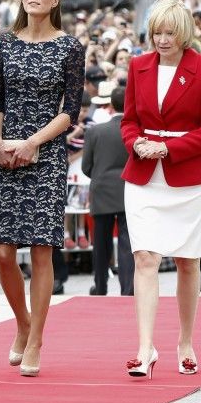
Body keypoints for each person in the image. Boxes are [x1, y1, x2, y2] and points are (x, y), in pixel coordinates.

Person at [0, 0, 85, 378]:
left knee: (41, 250)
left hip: (46, 156)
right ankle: (23, 323)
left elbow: (71, 111)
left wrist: (32, 142)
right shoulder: (5, 44)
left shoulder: (70, 47)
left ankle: (37, 339)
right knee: (4, 253)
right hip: (7, 156)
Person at [120, 0, 201, 379]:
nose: (162, 39)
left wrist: (169, 147)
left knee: (187, 261)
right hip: (144, 175)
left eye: (169, 33)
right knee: (145, 257)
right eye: (156, 32)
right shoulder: (137, 66)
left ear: (184, 34)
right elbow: (129, 120)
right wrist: (137, 144)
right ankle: (145, 348)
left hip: (190, 179)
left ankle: (185, 342)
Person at [82, 83, 133, 296]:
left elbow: (86, 167)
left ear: (110, 105)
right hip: (128, 190)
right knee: (127, 243)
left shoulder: (95, 131)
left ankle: (100, 286)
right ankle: (128, 288)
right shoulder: (134, 131)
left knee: (101, 244)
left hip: (101, 191)